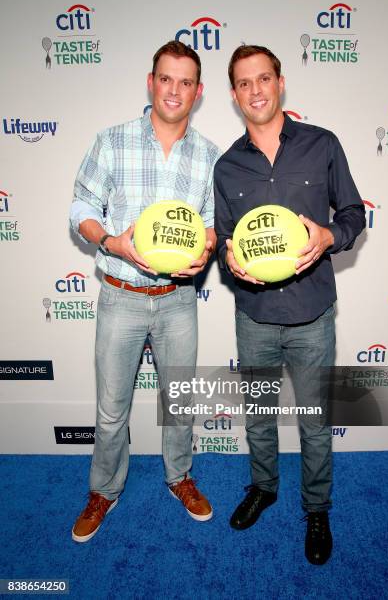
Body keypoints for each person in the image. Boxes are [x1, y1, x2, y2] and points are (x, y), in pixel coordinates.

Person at [214, 45, 365, 565]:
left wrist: (328, 235)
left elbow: (353, 213)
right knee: (258, 414)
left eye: (264, 79)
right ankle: (264, 487)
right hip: (254, 315)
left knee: (315, 419)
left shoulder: (322, 145)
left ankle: (317, 508)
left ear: (280, 83)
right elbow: (224, 238)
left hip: (313, 315)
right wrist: (229, 259)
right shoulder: (226, 166)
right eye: (244, 83)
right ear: (234, 94)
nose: (255, 91)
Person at [70, 40, 221, 542]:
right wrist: (111, 241)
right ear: (150, 81)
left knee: (179, 402)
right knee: (112, 408)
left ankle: (179, 477)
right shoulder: (111, 141)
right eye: (165, 78)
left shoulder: (209, 155)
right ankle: (103, 490)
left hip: (178, 300)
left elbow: (214, 226)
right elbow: (81, 210)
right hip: (121, 293)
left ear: (197, 92)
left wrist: (207, 248)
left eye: (185, 82)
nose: (173, 90)